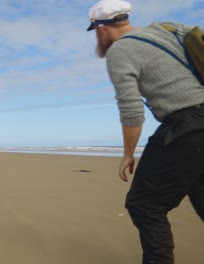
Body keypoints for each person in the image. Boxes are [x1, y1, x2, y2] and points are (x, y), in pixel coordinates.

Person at [86, 0, 204, 263]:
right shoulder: (167, 30)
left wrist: (128, 154)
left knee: (144, 203)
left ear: (100, 28)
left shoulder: (121, 51)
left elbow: (131, 111)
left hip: (187, 126)